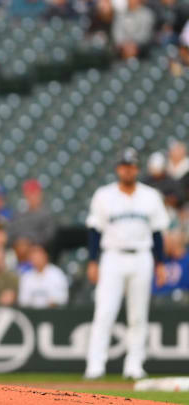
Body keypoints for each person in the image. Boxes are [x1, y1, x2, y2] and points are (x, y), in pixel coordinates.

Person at [84, 148, 169, 380]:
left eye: (131, 166)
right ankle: (95, 366)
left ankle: (134, 365)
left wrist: (160, 263)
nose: (128, 169)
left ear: (137, 169)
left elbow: (158, 233)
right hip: (112, 256)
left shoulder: (150, 195)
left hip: (142, 255)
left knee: (138, 315)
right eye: (124, 165)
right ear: (117, 168)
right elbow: (94, 230)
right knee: (105, 311)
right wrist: (93, 261)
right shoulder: (104, 195)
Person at [17, 244, 69, 308]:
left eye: (38, 256)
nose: (36, 260)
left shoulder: (57, 274)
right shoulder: (26, 277)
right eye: (33, 257)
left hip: (53, 313)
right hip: (32, 314)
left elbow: (63, 298)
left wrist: (53, 302)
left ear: (45, 256)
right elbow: (23, 301)